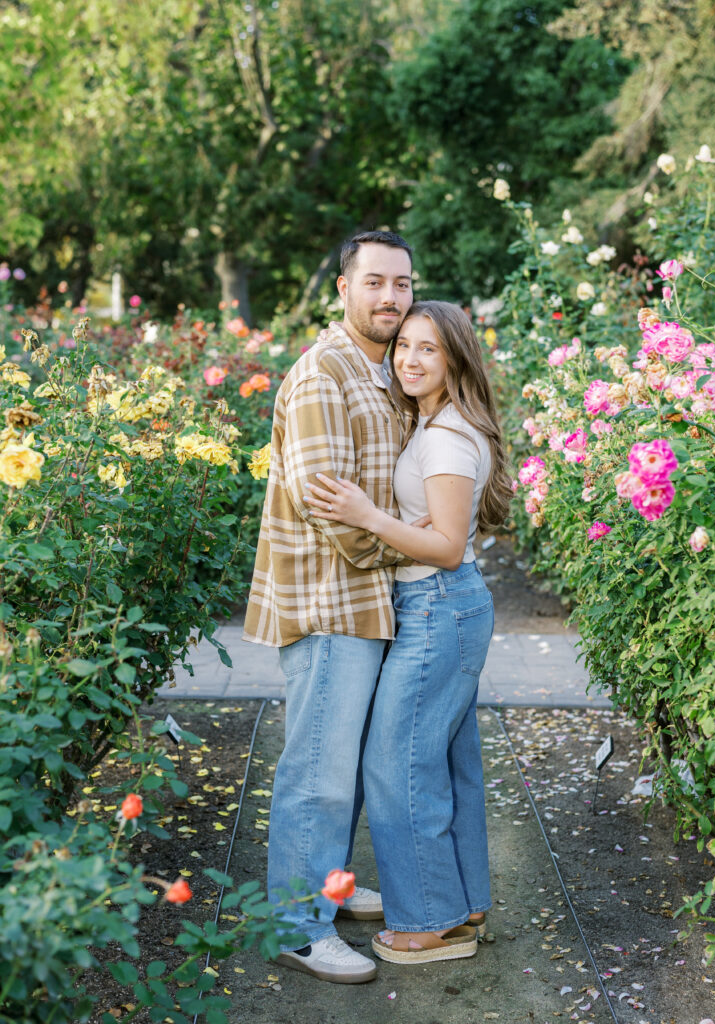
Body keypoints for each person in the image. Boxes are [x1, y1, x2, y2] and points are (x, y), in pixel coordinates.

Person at [304, 300, 513, 965]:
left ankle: (427, 921)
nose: (410, 359)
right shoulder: (440, 425)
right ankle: (462, 902)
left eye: (428, 349)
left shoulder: (446, 437)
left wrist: (365, 514)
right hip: (444, 610)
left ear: (454, 359)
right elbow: (438, 532)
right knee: (448, 764)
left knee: (395, 765)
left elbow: (448, 546)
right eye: (403, 347)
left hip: (439, 608)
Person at [243, 230, 416, 983]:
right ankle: (295, 926)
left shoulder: (376, 371)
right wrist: (412, 552)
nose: (389, 297)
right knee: (316, 769)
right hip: (326, 601)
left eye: (401, 284)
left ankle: (329, 892)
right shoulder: (324, 375)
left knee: (338, 765)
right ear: (342, 289)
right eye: (373, 282)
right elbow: (330, 510)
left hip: (364, 598)